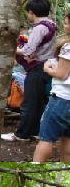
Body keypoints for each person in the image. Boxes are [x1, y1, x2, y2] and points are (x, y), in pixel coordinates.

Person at [2, 0, 57, 142]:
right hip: (46, 66)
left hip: (37, 67)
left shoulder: (39, 27)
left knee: (29, 103)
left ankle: (21, 134)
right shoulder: (52, 24)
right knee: (38, 102)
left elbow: (29, 50)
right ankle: (35, 131)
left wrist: (14, 49)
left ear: (31, 12)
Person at [33, 13, 70, 162]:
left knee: (46, 139)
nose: (65, 26)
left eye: (67, 23)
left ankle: (36, 166)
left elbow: (61, 74)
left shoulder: (68, 46)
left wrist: (48, 68)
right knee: (67, 139)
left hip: (62, 99)